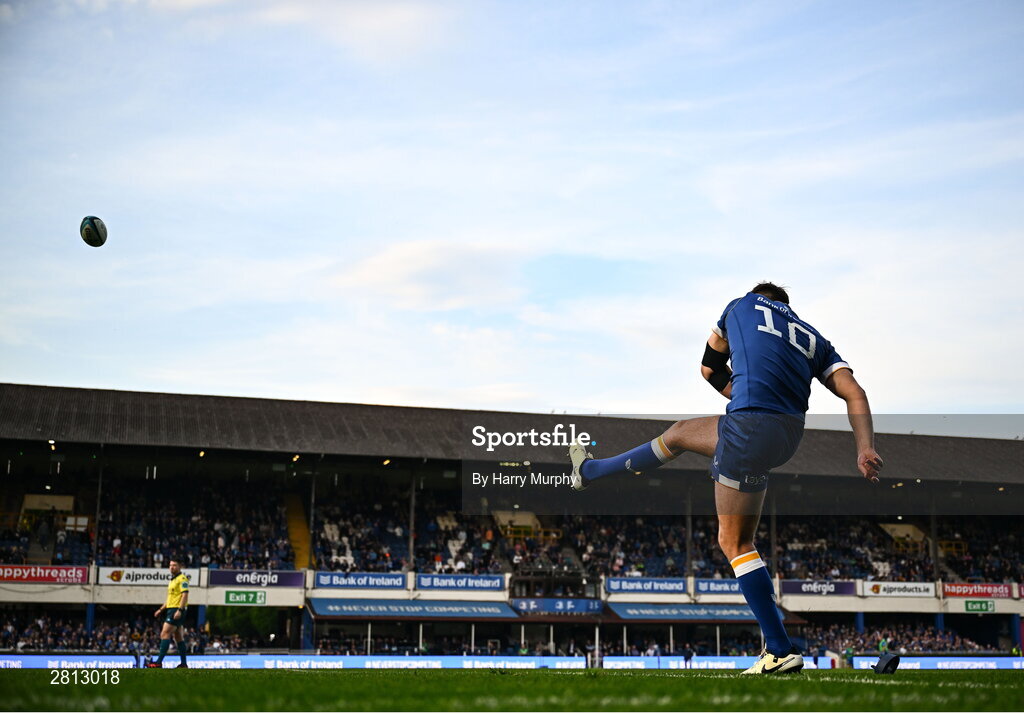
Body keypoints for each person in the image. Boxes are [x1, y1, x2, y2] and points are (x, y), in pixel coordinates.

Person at [569, 282, 883, 675]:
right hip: (784, 435)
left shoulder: (740, 305)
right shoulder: (815, 339)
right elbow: (855, 393)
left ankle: (780, 649)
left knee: (733, 541)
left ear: (760, 296)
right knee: (681, 432)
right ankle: (591, 471)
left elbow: (708, 368)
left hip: (749, 427)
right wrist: (864, 448)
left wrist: (743, 390)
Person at [146, 559, 190, 668]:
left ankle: (159, 662)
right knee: (178, 636)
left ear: (180, 566)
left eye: (174, 565)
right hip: (171, 609)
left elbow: (184, 595)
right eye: (170, 565)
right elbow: (170, 598)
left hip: (176, 609)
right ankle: (183, 664)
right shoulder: (172, 580)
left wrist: (180, 610)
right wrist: (161, 610)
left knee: (165, 633)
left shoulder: (182, 579)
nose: (172, 567)